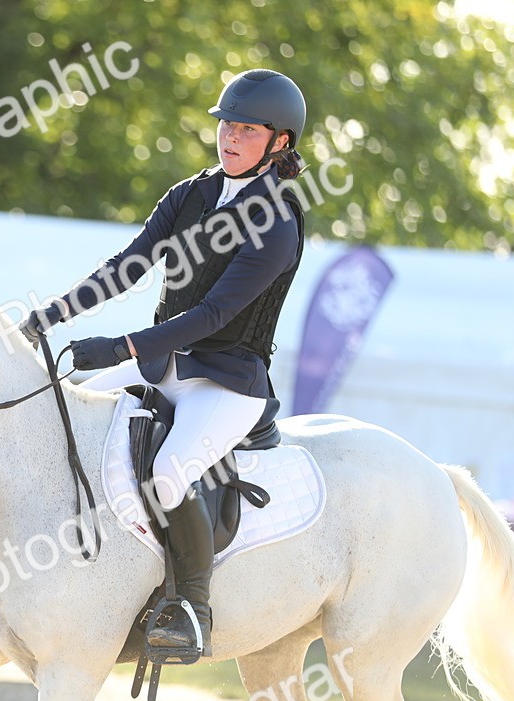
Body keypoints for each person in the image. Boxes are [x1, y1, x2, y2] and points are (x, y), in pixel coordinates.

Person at [19, 69, 308, 656]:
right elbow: (128, 266)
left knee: (170, 472)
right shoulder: (191, 195)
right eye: (226, 124)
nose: (229, 137)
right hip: (166, 362)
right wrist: (50, 315)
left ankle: (190, 607)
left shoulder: (276, 221)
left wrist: (122, 346)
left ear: (280, 143)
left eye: (247, 129)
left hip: (227, 379)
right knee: (69, 414)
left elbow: (213, 314)